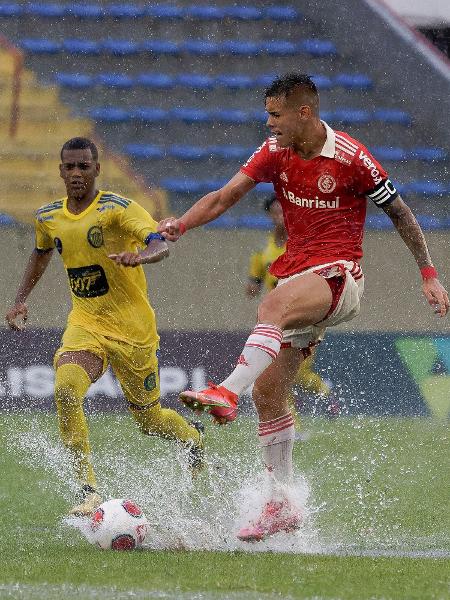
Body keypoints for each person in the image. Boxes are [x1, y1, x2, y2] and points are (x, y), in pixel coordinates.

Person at [159, 73, 449, 543]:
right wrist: (182, 224)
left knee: (272, 304)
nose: (269, 124)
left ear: (304, 113)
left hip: (340, 276)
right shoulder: (275, 152)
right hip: (300, 277)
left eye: (276, 116)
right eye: (267, 115)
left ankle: (227, 390)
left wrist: (429, 273)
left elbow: (400, 213)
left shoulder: (352, 159)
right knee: (269, 394)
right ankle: (280, 503)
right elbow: (225, 196)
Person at [6, 137, 204, 517]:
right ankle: (88, 488)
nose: (76, 173)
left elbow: (160, 243)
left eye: (84, 166)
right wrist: (20, 299)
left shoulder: (117, 209)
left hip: (133, 331)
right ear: (60, 171)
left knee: (149, 420)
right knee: (65, 389)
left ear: (97, 169)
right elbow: (42, 251)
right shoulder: (48, 217)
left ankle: (193, 438)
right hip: (86, 324)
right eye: (69, 167)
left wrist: (140, 256)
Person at [246, 195, 337, 429]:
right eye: (275, 212)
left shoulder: (303, 245)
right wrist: (253, 286)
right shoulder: (262, 250)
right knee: (277, 377)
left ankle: (325, 394)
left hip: (303, 316)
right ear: (270, 216)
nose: (280, 217)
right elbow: (253, 285)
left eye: (284, 211)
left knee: (297, 376)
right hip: (277, 321)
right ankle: (292, 428)